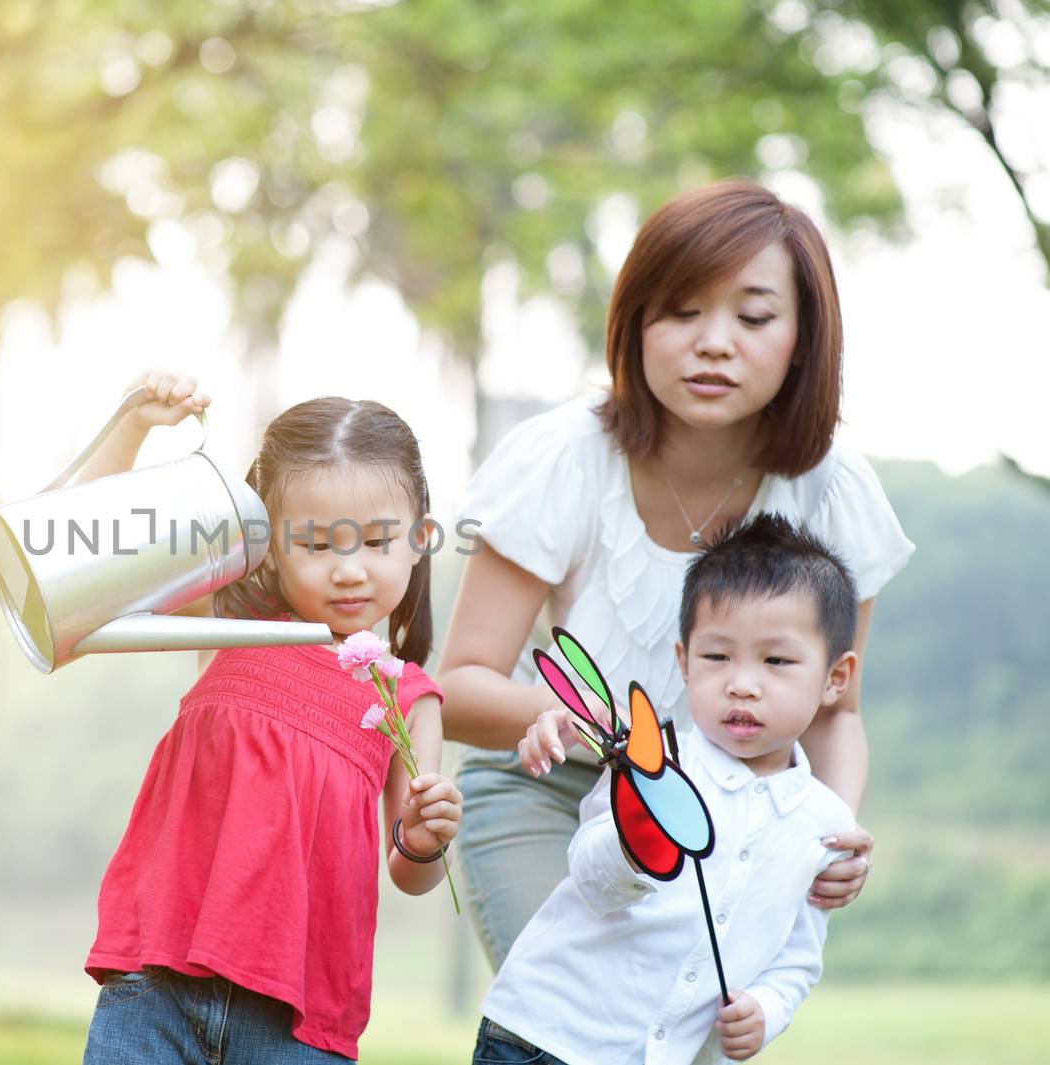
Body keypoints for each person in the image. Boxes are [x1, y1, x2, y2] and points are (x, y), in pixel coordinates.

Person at [438, 179, 914, 968]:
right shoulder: (562, 458)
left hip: (728, 809)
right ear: (634, 326)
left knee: (689, 1038)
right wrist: (604, 732)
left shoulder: (834, 489)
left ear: (803, 335)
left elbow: (834, 711)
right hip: (548, 786)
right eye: (682, 312)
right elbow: (457, 685)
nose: (714, 342)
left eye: (754, 316)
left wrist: (828, 829)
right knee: (570, 1026)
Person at [79, 373, 464, 1064]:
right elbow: (88, 558)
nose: (349, 569)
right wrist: (132, 424)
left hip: (298, 1026)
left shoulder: (410, 696)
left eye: (377, 542)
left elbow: (409, 871)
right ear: (269, 544)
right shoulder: (233, 620)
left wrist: (428, 835)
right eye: (317, 544)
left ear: (421, 539)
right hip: (156, 982)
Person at [474, 514, 862, 1064]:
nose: (742, 683)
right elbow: (590, 877)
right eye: (716, 656)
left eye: (777, 661)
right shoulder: (654, 757)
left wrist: (766, 1008)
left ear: (835, 678)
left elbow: (799, 954)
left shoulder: (825, 821)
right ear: (683, 661)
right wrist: (636, 847)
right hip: (547, 1039)